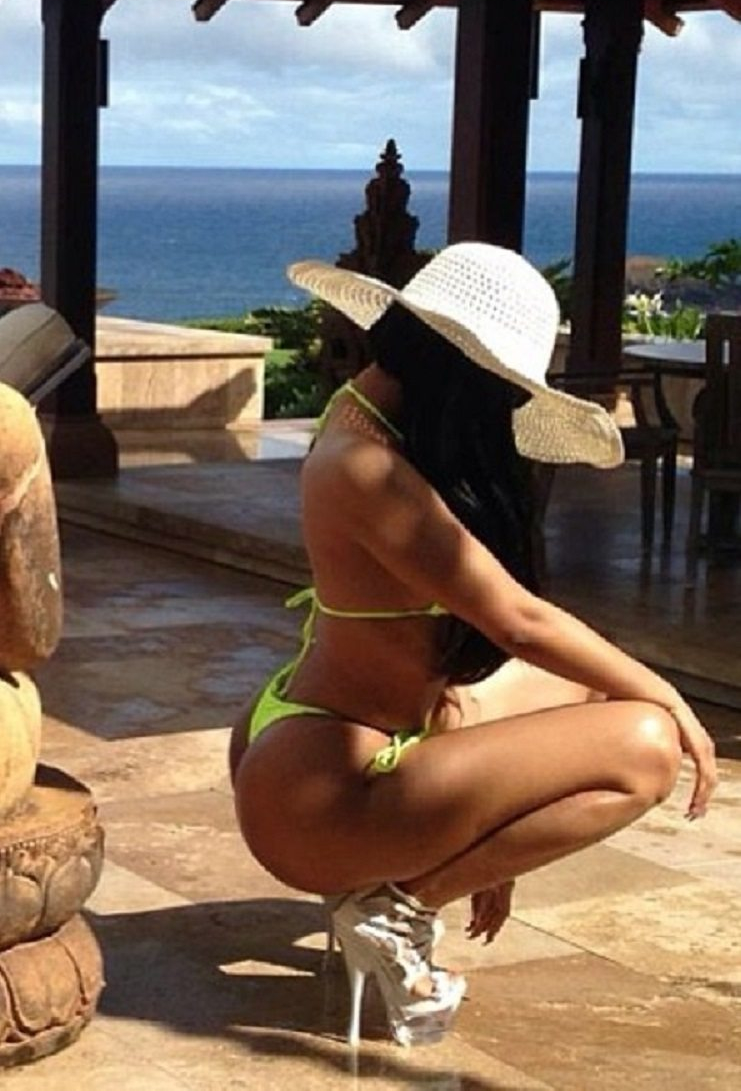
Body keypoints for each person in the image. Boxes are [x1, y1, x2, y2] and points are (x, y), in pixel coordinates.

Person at [230, 242, 717, 1048]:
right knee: (647, 743)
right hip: (321, 790)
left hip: (346, 734)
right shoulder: (363, 466)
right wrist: (673, 697)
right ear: (465, 374)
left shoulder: (369, 412)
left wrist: (498, 848)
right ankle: (399, 907)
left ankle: (403, 882)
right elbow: (516, 620)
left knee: (586, 683)